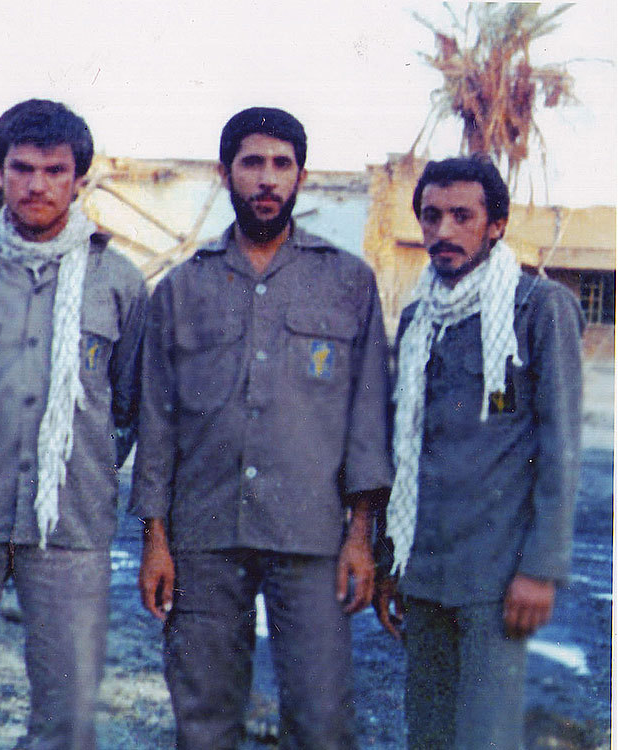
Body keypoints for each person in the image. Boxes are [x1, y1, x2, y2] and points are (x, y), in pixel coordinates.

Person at [131, 106, 393, 749]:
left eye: (282, 164)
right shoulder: (181, 289)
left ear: (302, 175)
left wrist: (361, 536)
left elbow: (368, 418)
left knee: (322, 719)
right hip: (203, 535)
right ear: (225, 173)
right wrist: (155, 540)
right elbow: (157, 423)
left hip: (312, 536)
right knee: (204, 717)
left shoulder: (347, 281)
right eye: (252, 163)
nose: (267, 179)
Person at [0, 98, 148, 750]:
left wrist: (82, 466)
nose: (38, 185)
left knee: (68, 716)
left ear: (79, 179)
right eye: (23, 168)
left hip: (71, 527)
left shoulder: (118, 282)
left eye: (55, 170)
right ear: (1, 171)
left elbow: (127, 407)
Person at [373, 157, 583, 749]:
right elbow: (405, 450)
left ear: (496, 225)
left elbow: (561, 449)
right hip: (424, 570)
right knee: (428, 734)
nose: (443, 231)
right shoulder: (418, 319)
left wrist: (540, 570)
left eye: (462, 216)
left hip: (497, 576)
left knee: (486, 737)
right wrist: (391, 563)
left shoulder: (539, 309)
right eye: (431, 216)